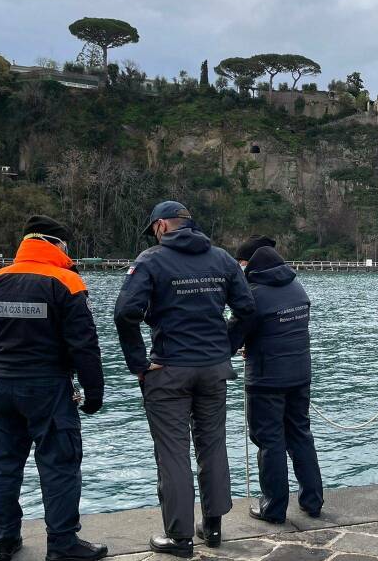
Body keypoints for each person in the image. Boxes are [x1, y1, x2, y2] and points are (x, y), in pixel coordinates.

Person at [113, 201, 255, 557]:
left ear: (162, 226)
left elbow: (125, 312)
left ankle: (179, 538)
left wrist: (138, 364)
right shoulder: (222, 259)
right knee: (212, 446)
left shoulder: (151, 261)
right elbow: (248, 309)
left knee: (173, 454)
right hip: (213, 370)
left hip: (169, 370)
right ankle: (214, 527)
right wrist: (226, 345)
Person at [0, 215, 108, 561]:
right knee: (59, 466)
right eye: (66, 245)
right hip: (48, 388)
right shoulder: (66, 281)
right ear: (55, 244)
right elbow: (84, 345)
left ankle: (4, 539)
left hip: (0, 386)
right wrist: (94, 393)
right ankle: (62, 545)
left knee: (4, 465)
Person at [227, 246, 324, 523]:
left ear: (252, 270)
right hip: (300, 374)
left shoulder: (254, 295)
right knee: (300, 435)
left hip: (266, 379)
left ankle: (273, 507)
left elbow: (232, 337)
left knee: (269, 442)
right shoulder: (297, 288)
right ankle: (313, 501)